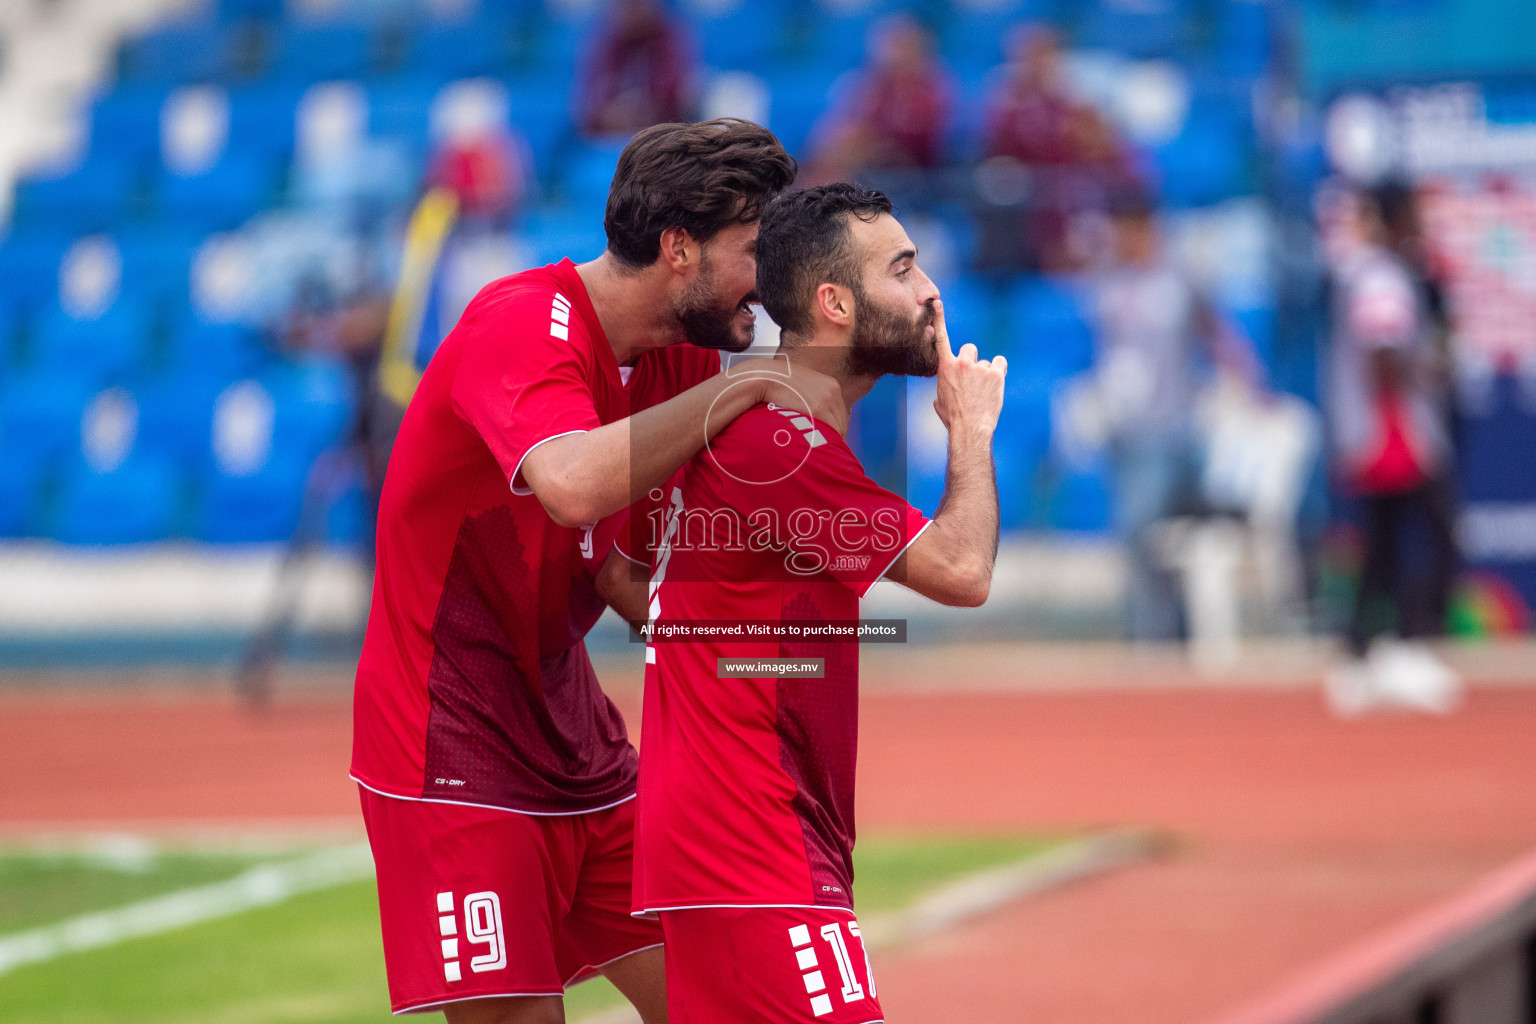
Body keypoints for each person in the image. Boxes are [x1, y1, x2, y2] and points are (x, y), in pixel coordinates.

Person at [350, 119, 847, 1024]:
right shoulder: (520, 322)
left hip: (575, 734)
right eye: (755, 252)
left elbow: (628, 575)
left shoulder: (687, 359)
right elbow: (574, 484)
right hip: (449, 743)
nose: (772, 284)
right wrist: (748, 387)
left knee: (721, 1002)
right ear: (678, 248)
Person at [608, 183, 1006, 1022]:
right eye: (903, 269)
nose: (930, 289)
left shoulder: (781, 426)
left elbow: (622, 574)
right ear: (835, 303)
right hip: (751, 841)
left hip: (737, 835)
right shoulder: (777, 443)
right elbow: (963, 570)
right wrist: (968, 430)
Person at [1090, 197, 1257, 643]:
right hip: (1131, 433)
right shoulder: (1109, 286)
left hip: (1179, 427)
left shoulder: (1180, 279)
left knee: (1180, 538)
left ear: (1145, 229)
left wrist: (1250, 380)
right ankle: (1153, 638)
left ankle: (1184, 634)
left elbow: (1216, 331)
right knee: (1141, 536)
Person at [1323, 182, 1461, 715]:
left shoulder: (1383, 271)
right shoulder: (1380, 274)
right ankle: (1403, 643)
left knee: (1382, 541)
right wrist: (1429, 370)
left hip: (1385, 426)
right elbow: (1383, 353)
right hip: (1392, 428)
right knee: (1429, 534)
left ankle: (1360, 652)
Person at [807, 15, 953, 183]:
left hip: (915, 172)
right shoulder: (867, 83)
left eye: (898, 45)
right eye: (885, 45)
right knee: (832, 141)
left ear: (917, 48)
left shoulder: (933, 85)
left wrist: (868, 139)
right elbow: (838, 125)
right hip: (868, 163)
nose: (889, 53)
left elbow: (919, 137)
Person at [578, 0, 696, 137]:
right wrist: (611, 114)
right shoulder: (607, 45)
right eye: (624, 5)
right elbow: (590, 102)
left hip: (661, 137)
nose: (629, 10)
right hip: (609, 138)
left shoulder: (671, 41)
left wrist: (641, 112)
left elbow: (674, 97)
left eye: (636, 4)